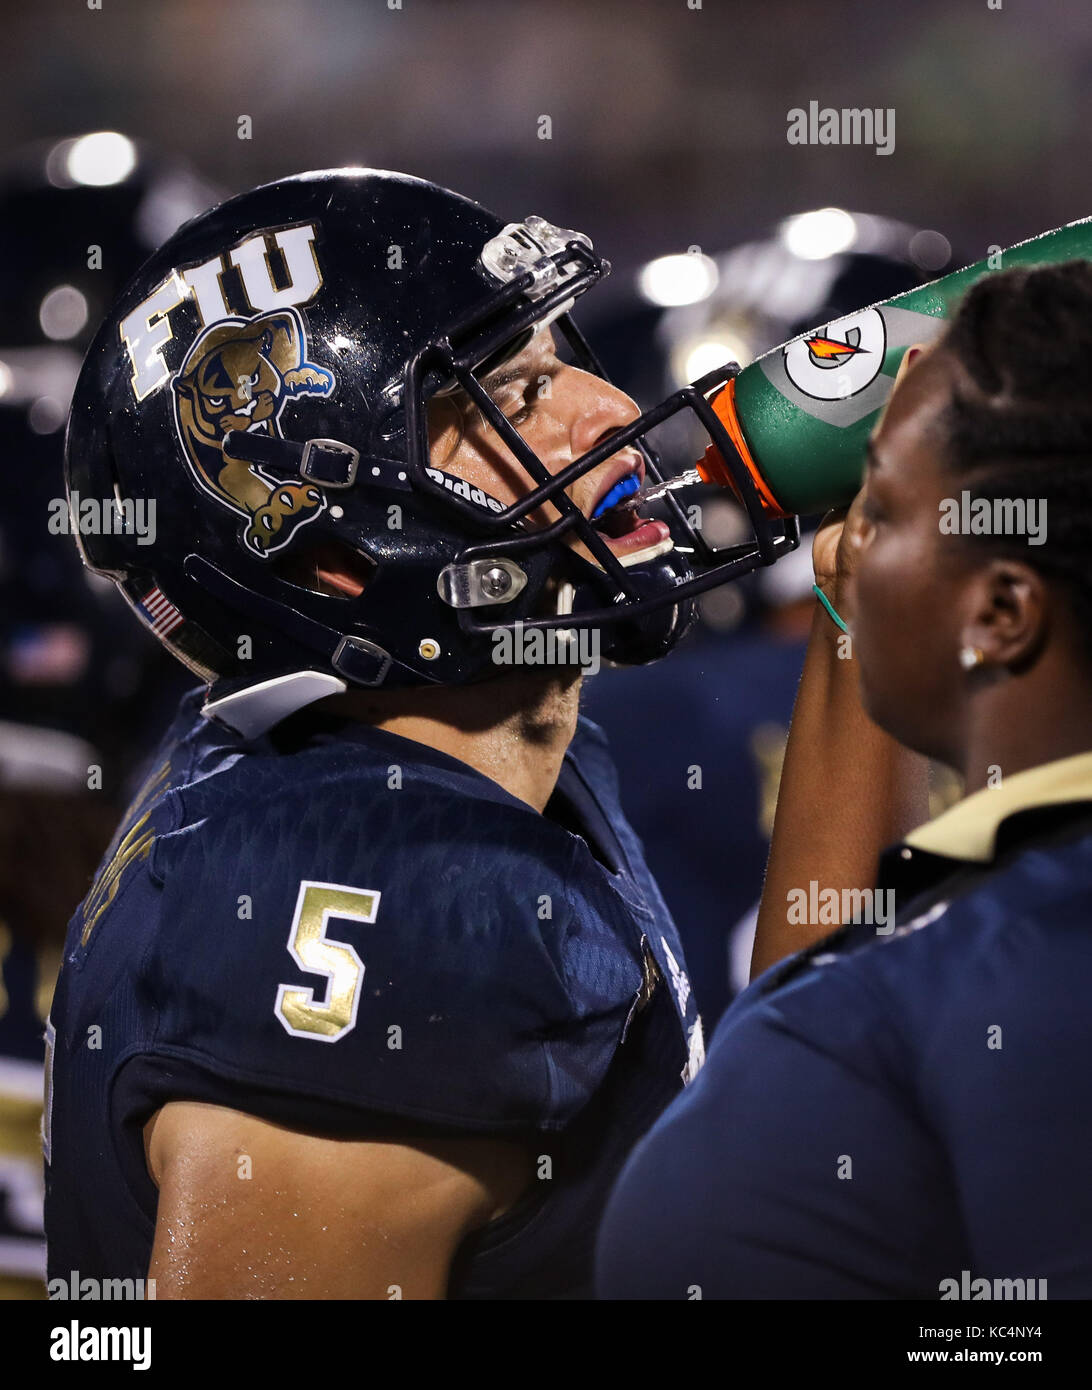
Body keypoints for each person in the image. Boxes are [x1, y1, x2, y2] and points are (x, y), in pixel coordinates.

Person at [44, 168, 797, 1299]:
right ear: (336, 549)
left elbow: (759, 1141)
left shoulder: (473, 760)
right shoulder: (392, 902)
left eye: (563, 357)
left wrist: (848, 625)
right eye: (520, 393)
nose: (608, 413)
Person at [596, 260, 1092, 1299]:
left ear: (1002, 610)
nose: (844, 549)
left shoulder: (991, 980)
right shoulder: (972, 942)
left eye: (885, 508)